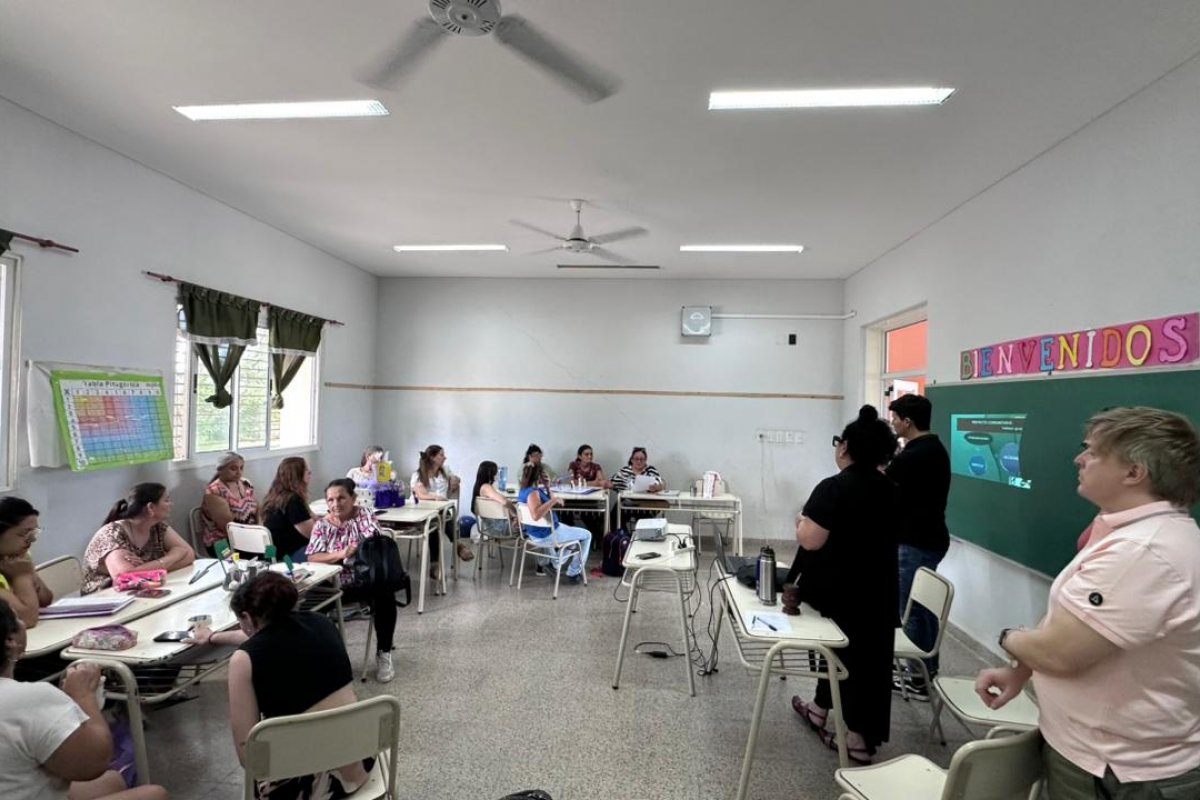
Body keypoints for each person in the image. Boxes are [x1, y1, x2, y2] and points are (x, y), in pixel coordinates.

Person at [977, 407, 1200, 798]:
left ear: (1134, 473)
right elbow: (1074, 620)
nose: (1079, 459)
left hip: (1119, 768)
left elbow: (1061, 653)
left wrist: (1009, 637)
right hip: (1094, 749)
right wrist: (1023, 669)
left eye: (1093, 452)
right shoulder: (1127, 532)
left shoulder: (1143, 551)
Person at [189, 572, 371, 798]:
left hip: (310, 786)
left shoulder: (244, 660)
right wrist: (213, 637)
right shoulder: (322, 623)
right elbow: (263, 637)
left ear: (246, 618)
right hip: (359, 760)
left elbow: (249, 756)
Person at [790, 405, 899, 765]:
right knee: (869, 661)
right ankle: (821, 710)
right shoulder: (891, 490)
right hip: (878, 592)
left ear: (845, 447)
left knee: (836, 653)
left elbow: (811, 540)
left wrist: (801, 521)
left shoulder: (834, 487)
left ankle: (853, 740)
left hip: (838, 593)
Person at [0, 599, 169, 800]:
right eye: (18, 618)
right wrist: (83, 697)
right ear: (10, 639)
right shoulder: (29, 699)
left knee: (113, 780)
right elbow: (94, 763)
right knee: (154, 794)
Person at [885, 393, 950, 698]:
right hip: (928, 538)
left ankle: (917, 678)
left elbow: (882, 485)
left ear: (908, 422)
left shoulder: (914, 456)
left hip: (915, 542)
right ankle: (925, 673)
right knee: (922, 610)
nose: (893, 424)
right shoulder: (932, 449)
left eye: (895, 419)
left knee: (911, 612)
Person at [307, 479, 398, 683]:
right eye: (330, 500)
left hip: (364, 579)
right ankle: (326, 657)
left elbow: (372, 539)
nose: (335, 504)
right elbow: (313, 557)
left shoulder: (363, 514)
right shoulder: (322, 525)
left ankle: (384, 652)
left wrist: (348, 551)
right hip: (333, 583)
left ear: (353, 498)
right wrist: (341, 554)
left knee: (385, 597)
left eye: (341, 498)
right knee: (306, 607)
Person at [81, 484, 195, 595]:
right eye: (166, 500)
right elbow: (125, 578)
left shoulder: (157, 527)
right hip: (104, 597)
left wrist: (144, 570)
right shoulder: (112, 533)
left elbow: (189, 554)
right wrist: (171, 558)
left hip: (141, 592)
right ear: (151, 507)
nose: (171, 504)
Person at [517, 462, 592, 582]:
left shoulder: (525, 490)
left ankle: (555, 563)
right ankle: (573, 573)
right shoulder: (533, 493)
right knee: (586, 535)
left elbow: (546, 505)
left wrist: (547, 487)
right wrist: (554, 500)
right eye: (543, 473)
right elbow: (536, 515)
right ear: (538, 475)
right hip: (547, 534)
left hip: (536, 533)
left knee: (573, 539)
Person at [410, 445, 472, 576]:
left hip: (442, 510)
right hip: (423, 511)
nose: (445, 458)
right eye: (441, 455)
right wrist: (436, 498)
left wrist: (455, 479)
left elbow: (456, 478)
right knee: (434, 521)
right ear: (433, 457)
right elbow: (421, 494)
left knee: (441, 517)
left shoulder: (445, 470)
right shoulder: (418, 475)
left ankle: (436, 564)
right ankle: (457, 546)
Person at [0, 498, 51, 627]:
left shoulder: (17, 558)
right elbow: (27, 619)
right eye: (24, 533)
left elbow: (45, 599)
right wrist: (21, 576)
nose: (32, 540)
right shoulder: (18, 567)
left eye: (34, 533)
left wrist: (29, 572)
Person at [200, 451, 259, 556]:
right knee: (249, 558)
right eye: (233, 468)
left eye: (241, 468)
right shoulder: (214, 492)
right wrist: (253, 540)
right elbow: (228, 527)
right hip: (220, 542)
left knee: (272, 550)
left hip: (248, 536)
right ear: (220, 469)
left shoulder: (246, 483)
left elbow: (258, 509)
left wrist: (261, 530)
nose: (239, 472)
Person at [259, 457, 317, 562]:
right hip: (287, 555)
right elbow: (313, 534)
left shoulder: (273, 496)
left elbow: (310, 517)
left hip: (272, 553)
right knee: (334, 547)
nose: (310, 472)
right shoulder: (293, 500)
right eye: (306, 470)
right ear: (297, 475)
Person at [471, 461, 517, 540]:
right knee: (529, 522)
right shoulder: (486, 487)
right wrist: (515, 512)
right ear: (490, 474)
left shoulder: (478, 486)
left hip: (490, 527)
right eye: (496, 472)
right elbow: (505, 502)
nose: (497, 474)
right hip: (499, 528)